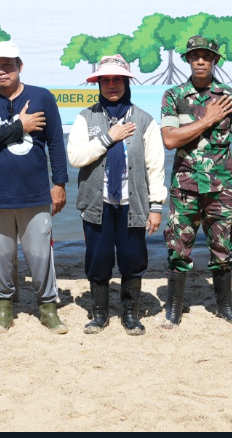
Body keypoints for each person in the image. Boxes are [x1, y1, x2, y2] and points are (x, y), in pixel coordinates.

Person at [0, 41, 69, 335]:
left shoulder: (42, 97)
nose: (1, 72)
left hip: (35, 194)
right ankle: (3, 307)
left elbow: (55, 144)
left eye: (7, 65)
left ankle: (48, 306)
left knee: (40, 255)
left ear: (20, 66)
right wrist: (19, 127)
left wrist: (59, 183)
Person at [67, 55, 165, 335]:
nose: (112, 85)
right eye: (106, 80)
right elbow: (75, 157)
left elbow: (155, 166)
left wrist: (156, 206)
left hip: (131, 203)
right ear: (98, 83)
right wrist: (109, 137)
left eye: (117, 79)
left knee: (133, 258)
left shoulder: (144, 120)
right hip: (97, 204)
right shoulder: (86, 117)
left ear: (126, 82)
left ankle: (130, 314)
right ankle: (99, 314)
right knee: (97, 259)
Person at [158, 36, 232, 328]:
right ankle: (174, 308)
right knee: (178, 249)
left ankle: (225, 306)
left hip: (222, 189)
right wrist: (208, 119)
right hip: (184, 188)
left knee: (223, 250)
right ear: (187, 60)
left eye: (207, 56)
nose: (200, 61)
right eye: (195, 56)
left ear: (215, 61)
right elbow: (170, 140)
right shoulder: (173, 96)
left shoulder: (231, 98)